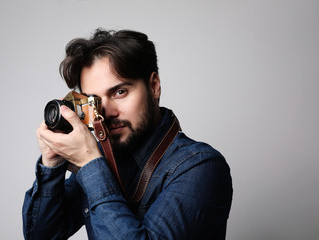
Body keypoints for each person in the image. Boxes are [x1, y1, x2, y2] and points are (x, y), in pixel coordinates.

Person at [22, 28, 233, 240]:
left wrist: (90, 166)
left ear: (154, 86)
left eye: (120, 92)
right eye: (94, 101)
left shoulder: (201, 167)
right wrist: (52, 164)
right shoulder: (101, 161)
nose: (107, 113)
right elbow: (41, 236)